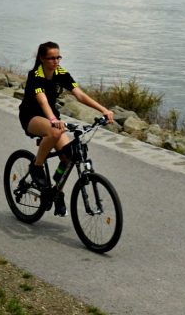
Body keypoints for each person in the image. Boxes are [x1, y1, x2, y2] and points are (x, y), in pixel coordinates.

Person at [18, 41, 114, 216]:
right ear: (41, 58)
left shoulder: (60, 72)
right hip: (31, 116)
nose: (56, 61)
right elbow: (42, 100)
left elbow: (79, 94)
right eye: (51, 58)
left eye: (58, 57)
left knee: (68, 157)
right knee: (54, 131)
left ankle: (56, 192)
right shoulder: (35, 75)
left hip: (51, 118)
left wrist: (104, 110)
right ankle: (37, 167)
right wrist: (53, 119)